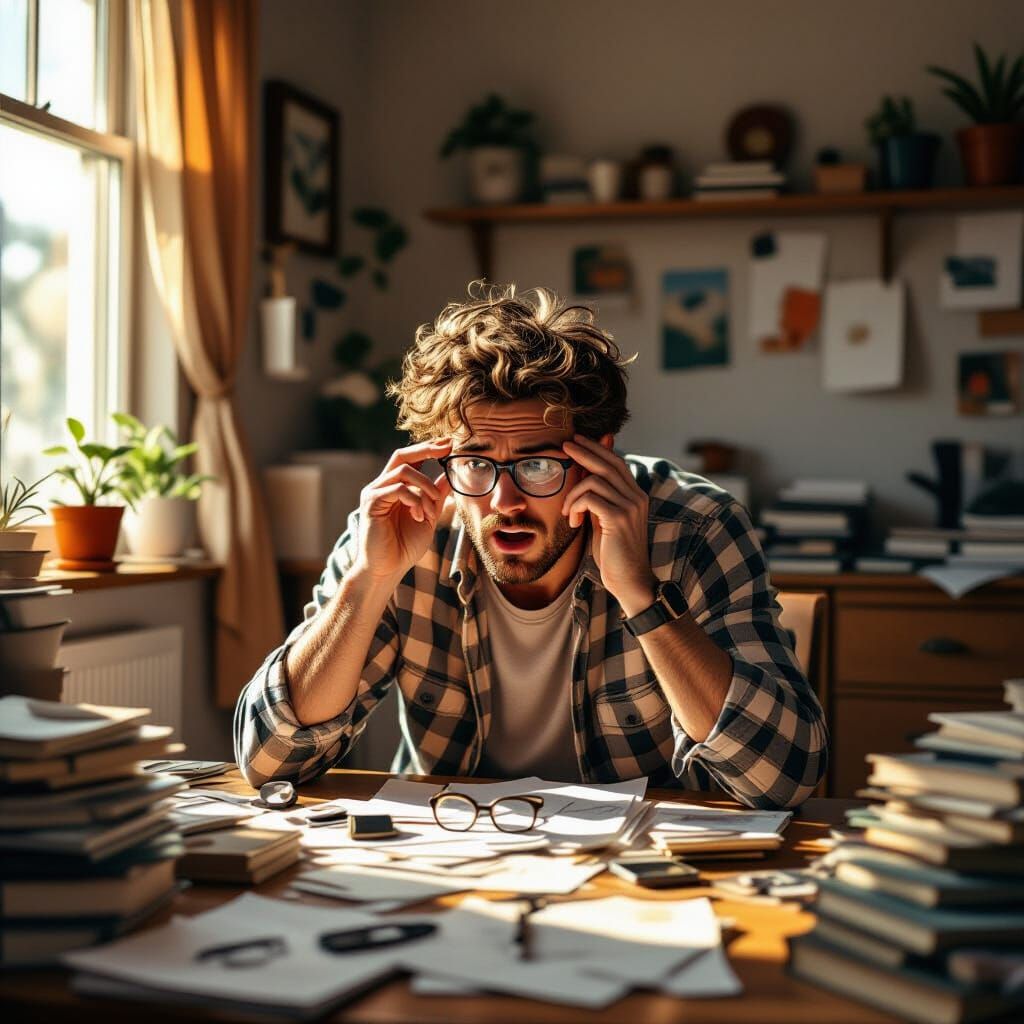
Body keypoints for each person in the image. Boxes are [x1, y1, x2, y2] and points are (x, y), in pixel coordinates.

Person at [234, 284, 827, 809]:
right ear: (441, 458)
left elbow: (783, 781)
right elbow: (268, 763)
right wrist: (367, 582)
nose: (504, 502)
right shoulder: (400, 529)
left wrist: (640, 593)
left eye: (537, 465)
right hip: (453, 853)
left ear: (601, 452)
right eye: (474, 463)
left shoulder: (695, 528)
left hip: (638, 871)